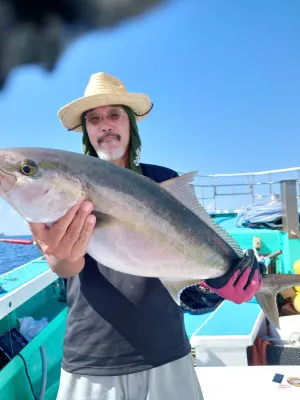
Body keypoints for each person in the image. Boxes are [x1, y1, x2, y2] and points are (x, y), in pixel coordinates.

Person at [29, 72, 263, 400]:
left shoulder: (164, 180)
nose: (105, 124)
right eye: (94, 119)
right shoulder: (62, 190)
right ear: (86, 130)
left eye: (114, 114)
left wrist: (219, 285)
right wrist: (60, 258)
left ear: (130, 124)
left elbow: (192, 264)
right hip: (92, 358)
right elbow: (66, 268)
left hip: (166, 352)